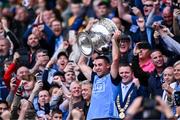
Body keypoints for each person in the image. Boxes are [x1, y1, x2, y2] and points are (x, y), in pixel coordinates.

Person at [78, 30, 121, 119]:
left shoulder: (112, 77)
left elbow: (116, 59)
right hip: (92, 117)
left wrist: (114, 40)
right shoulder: (95, 78)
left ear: (108, 65)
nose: (97, 68)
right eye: (95, 65)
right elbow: (81, 63)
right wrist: (87, 46)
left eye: (100, 65)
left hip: (108, 117)